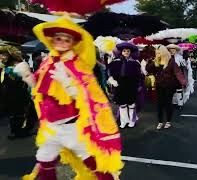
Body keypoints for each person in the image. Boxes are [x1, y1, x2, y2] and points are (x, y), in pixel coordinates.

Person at [14, 17, 123, 180]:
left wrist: (67, 82)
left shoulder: (77, 64)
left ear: (73, 43)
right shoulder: (47, 60)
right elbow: (37, 86)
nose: (62, 42)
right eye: (58, 38)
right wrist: (27, 75)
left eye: (67, 39)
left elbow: (88, 94)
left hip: (72, 128)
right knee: (45, 161)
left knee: (93, 163)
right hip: (50, 127)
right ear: (52, 39)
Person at [0, 46, 37, 140]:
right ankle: (15, 131)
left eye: (3, 55)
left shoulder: (20, 66)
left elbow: (29, 82)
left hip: (20, 95)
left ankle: (20, 131)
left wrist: (32, 93)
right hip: (9, 96)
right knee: (13, 115)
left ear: (11, 55)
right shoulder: (5, 67)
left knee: (22, 114)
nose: (1, 57)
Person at [146, 45, 187, 130]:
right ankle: (160, 121)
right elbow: (148, 69)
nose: (158, 54)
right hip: (159, 85)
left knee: (168, 103)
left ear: (163, 52)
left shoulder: (171, 61)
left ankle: (168, 121)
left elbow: (178, 72)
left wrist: (183, 81)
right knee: (159, 104)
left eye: (159, 52)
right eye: (156, 53)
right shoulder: (156, 61)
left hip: (169, 86)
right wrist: (152, 61)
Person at [108, 42, 142, 128]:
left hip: (131, 86)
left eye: (128, 51)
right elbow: (109, 73)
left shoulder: (135, 63)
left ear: (130, 52)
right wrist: (112, 80)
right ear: (121, 52)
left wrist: (138, 86)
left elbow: (139, 76)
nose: (126, 52)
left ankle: (132, 120)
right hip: (120, 86)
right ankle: (123, 121)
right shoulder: (115, 62)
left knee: (131, 104)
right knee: (122, 104)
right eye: (124, 51)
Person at [167, 44, 186, 108]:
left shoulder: (179, 57)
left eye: (173, 50)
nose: (172, 51)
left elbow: (183, 67)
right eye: (171, 50)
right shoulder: (168, 57)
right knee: (172, 90)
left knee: (179, 90)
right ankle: (174, 102)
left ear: (176, 50)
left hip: (178, 76)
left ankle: (180, 104)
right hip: (170, 76)